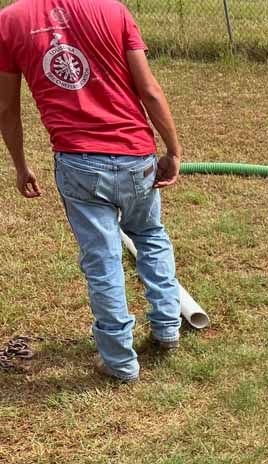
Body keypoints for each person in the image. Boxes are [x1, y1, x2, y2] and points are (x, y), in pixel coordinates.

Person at [0, 0, 183, 383]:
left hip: (78, 164)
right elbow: (148, 90)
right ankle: (167, 329)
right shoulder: (113, 11)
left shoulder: (10, 21)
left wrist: (20, 165)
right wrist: (172, 149)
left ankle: (119, 361)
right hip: (135, 155)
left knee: (102, 259)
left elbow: (6, 108)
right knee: (149, 235)